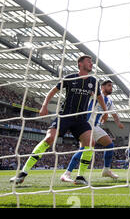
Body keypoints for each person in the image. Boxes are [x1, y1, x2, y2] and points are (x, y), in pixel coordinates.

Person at [10, 55, 108, 185]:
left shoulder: (93, 81)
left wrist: (105, 112)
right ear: (80, 64)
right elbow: (52, 91)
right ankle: (23, 173)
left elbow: (100, 97)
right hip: (65, 116)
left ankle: (80, 177)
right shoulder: (69, 78)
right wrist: (44, 105)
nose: (91, 64)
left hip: (81, 120)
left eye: (91, 62)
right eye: (88, 61)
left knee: (90, 143)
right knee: (49, 139)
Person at [60, 79, 125, 183]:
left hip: (95, 126)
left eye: (111, 86)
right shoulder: (94, 94)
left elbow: (114, 114)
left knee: (109, 144)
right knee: (84, 149)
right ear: (102, 87)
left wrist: (118, 123)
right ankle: (67, 173)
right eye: (109, 86)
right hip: (85, 124)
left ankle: (106, 170)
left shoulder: (109, 101)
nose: (111, 88)